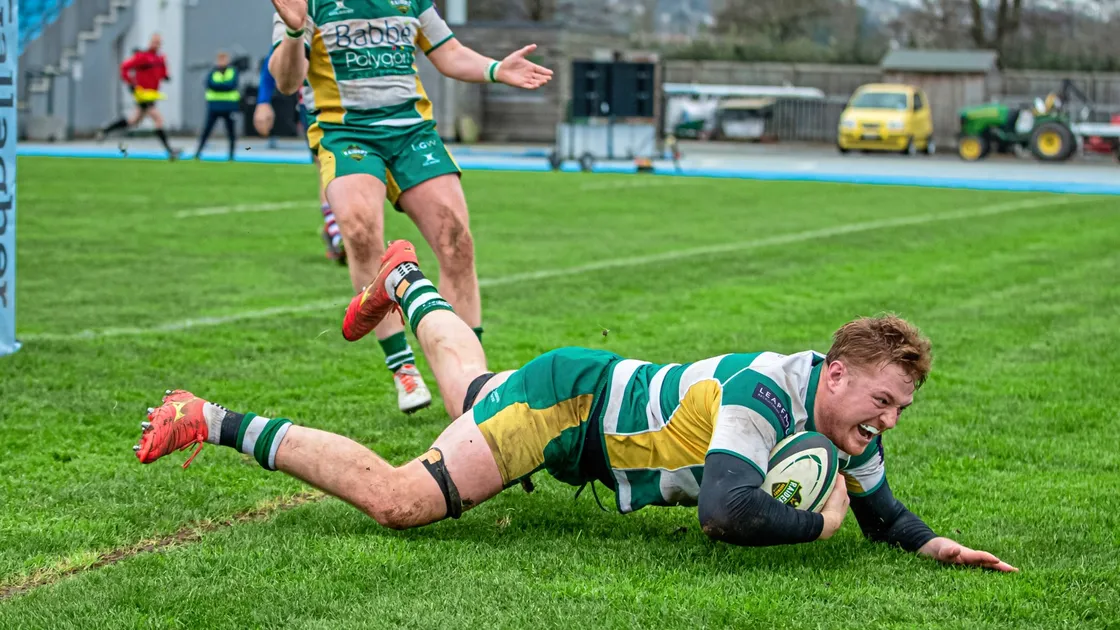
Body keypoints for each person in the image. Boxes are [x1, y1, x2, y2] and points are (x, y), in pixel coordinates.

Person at [134, 240, 1017, 572]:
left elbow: (879, 508)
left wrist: (941, 547)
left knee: (475, 394)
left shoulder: (842, 420)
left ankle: (405, 281)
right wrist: (817, 529)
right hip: (570, 409)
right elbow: (725, 512)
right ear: (837, 373)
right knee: (403, 500)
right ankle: (206, 416)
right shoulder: (762, 391)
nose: (887, 423)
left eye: (898, 411)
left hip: (583, 404)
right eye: (884, 402)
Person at [267, 0, 553, 414]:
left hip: (412, 133)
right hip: (346, 132)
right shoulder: (305, 2)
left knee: (457, 243)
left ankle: (469, 377)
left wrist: (496, 69)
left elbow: (449, 53)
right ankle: (403, 366)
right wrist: (295, 32)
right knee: (362, 235)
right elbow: (287, 81)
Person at [253, 50, 344, 264]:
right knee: (327, 164)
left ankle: (338, 230)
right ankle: (339, 233)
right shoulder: (310, 19)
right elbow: (276, 55)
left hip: (359, 105)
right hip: (316, 106)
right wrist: (263, 101)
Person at [97, 33, 180, 161]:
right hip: (143, 94)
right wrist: (130, 82)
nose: (156, 45)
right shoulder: (143, 57)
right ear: (150, 42)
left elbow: (161, 73)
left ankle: (106, 130)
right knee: (158, 119)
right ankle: (169, 150)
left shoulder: (160, 58)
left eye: (158, 43)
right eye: (154, 42)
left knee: (133, 121)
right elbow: (125, 67)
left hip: (152, 94)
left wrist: (165, 76)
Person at [193, 52, 241, 162]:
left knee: (231, 132)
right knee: (207, 130)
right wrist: (224, 85)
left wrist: (219, 86)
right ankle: (198, 153)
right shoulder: (212, 72)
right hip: (214, 106)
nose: (222, 62)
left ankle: (231, 155)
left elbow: (232, 85)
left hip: (229, 106)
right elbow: (210, 84)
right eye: (220, 59)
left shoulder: (232, 71)